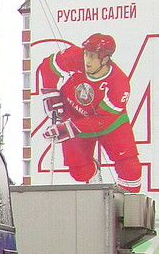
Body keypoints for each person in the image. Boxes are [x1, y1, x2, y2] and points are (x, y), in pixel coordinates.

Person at [37, 32, 142, 193]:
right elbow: (48, 66)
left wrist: (69, 128)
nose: (87, 60)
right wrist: (50, 92)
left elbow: (103, 119)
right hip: (74, 115)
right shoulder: (74, 55)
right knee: (79, 172)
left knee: (130, 168)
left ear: (105, 59)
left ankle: (128, 202)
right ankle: (94, 173)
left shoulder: (119, 83)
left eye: (92, 56)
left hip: (111, 123)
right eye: (86, 54)